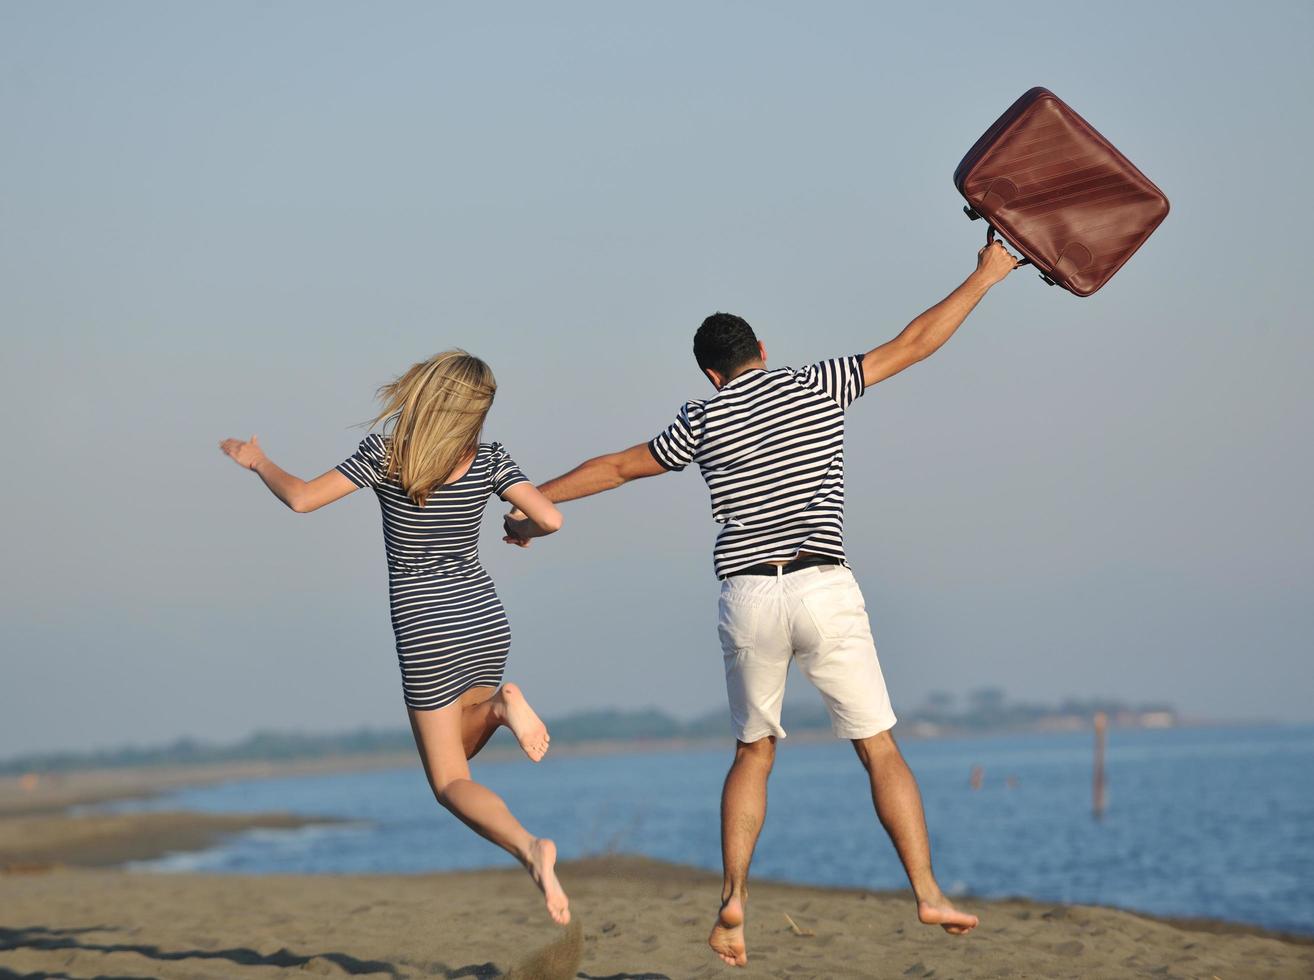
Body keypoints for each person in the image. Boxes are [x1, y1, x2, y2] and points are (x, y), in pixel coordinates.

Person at [504, 241, 1020, 964]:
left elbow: (617, 468)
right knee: (879, 748)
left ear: (712, 375)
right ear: (762, 351)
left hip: (747, 592)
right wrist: (988, 273)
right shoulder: (818, 383)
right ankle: (929, 892)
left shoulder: (702, 418)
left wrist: (530, 507)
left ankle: (734, 897)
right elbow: (917, 342)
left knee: (754, 751)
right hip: (823, 583)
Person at [219, 349, 571, 925]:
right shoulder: (490, 460)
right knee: (462, 747)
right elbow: (552, 518)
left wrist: (258, 461)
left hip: (425, 627)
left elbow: (303, 498)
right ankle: (502, 707)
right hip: (483, 618)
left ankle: (531, 847)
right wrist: (522, 529)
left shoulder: (386, 456)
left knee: (450, 780)